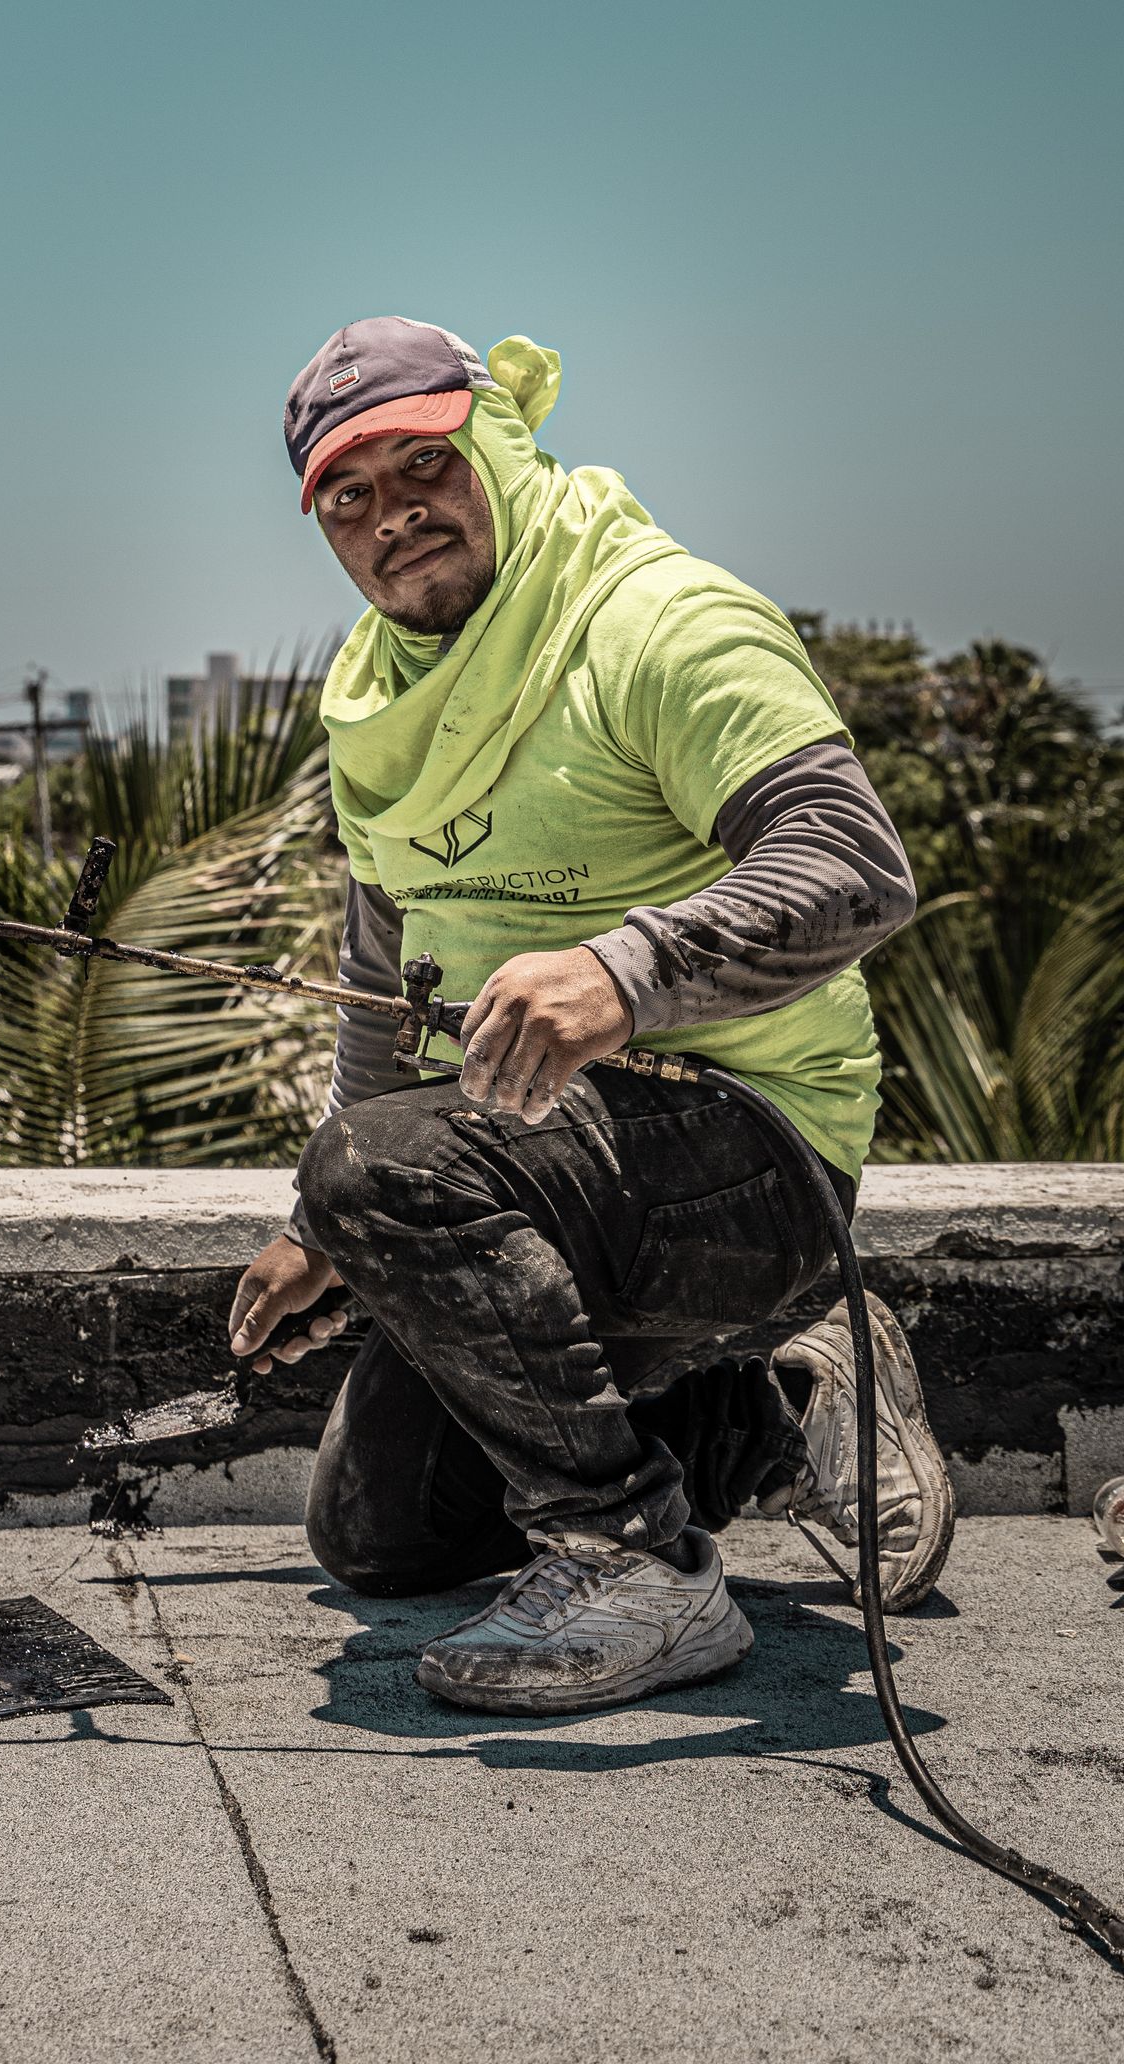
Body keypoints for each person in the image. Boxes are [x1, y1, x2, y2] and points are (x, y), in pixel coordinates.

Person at [228, 316, 954, 1716]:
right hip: (548, 1167)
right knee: (381, 1538)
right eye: (350, 497)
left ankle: (641, 1562)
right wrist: (325, 1228)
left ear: (496, 442)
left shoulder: (656, 619)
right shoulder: (377, 699)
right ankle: (778, 1407)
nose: (398, 516)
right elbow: (385, 994)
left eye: (426, 464)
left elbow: (857, 865)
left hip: (750, 1151)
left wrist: (626, 973)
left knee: (388, 1167)